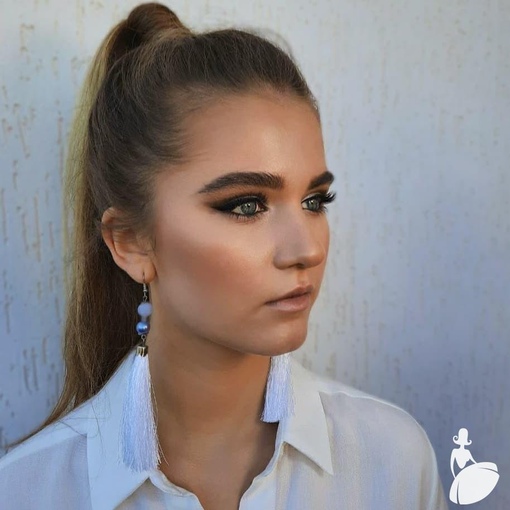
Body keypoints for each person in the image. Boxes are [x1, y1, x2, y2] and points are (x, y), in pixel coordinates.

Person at [0, 3, 449, 509]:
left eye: (314, 201)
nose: (307, 250)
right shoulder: (27, 493)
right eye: (246, 206)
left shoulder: (391, 462)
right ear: (130, 241)